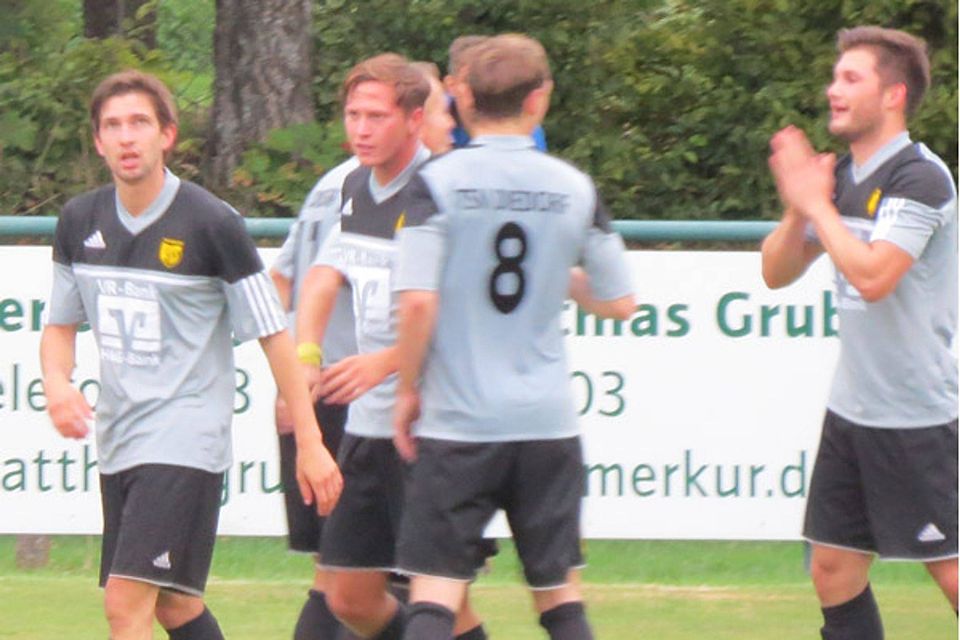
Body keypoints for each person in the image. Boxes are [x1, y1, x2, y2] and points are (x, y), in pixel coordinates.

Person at [39, 69, 342, 640]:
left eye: (139, 123)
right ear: (98, 141)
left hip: (185, 439)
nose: (127, 137)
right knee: (174, 606)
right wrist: (57, 383)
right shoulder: (79, 222)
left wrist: (310, 441)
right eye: (113, 126)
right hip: (120, 437)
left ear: (167, 136)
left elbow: (273, 334)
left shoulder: (212, 223)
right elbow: (59, 327)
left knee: (124, 605)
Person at [391, 34, 636, 640]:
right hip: (547, 425)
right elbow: (620, 301)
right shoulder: (575, 187)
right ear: (541, 99)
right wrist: (561, 276)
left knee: (435, 593)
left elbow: (419, 300)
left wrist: (405, 389)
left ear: (464, 97)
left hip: (460, 423)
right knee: (557, 596)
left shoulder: (436, 183)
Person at [761, 26, 957, 639]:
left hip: (921, 411)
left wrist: (816, 206)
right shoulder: (840, 176)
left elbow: (875, 278)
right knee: (833, 566)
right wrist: (799, 208)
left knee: (951, 573)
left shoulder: (920, 178)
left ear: (893, 94)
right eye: (834, 77)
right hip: (855, 410)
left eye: (851, 78)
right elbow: (775, 272)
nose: (833, 90)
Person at [295, 54, 486, 640]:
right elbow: (324, 274)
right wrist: (306, 355)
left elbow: (461, 310)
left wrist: (385, 362)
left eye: (375, 116)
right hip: (368, 426)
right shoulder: (356, 183)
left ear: (413, 119)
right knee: (350, 597)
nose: (360, 128)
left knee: (442, 599)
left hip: (431, 426)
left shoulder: (444, 191)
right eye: (353, 114)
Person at [271, 151, 359, 640]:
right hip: (358, 390)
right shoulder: (380, 186)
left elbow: (280, 281)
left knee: (337, 575)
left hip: (317, 390)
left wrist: (289, 379)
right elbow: (316, 282)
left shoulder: (329, 180)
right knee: (386, 578)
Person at [445, 34, 548, 151]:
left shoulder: (523, 126)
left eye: (482, 79)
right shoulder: (433, 122)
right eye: (470, 81)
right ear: (451, 85)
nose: (477, 87)